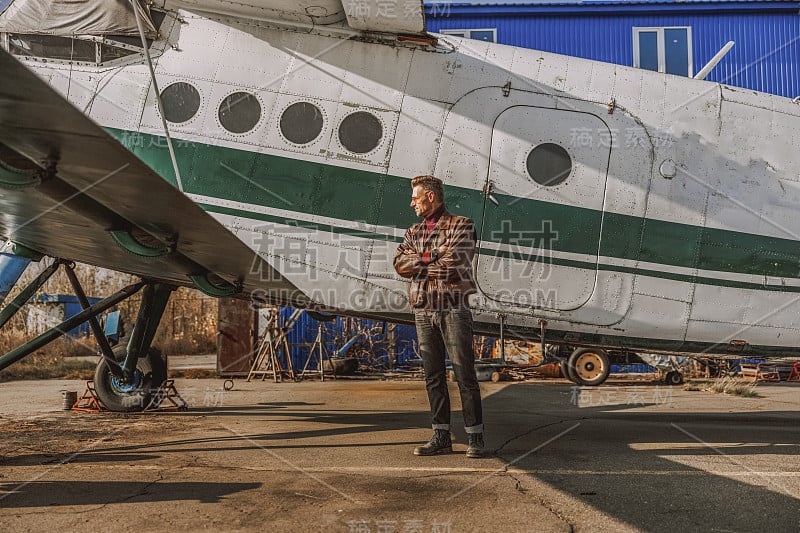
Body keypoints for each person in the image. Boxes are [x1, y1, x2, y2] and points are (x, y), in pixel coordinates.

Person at [393, 175, 488, 458]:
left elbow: (453, 265)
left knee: (464, 374)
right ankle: (441, 437)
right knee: (433, 376)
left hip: (453, 308)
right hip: (423, 309)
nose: (412, 203)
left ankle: (476, 439)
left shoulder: (462, 225)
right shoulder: (413, 231)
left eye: (415, 198)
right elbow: (399, 264)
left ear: (430, 197)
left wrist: (419, 262)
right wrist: (432, 254)